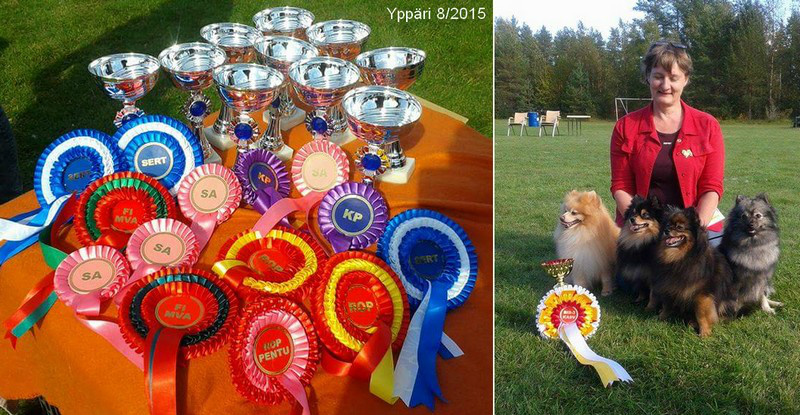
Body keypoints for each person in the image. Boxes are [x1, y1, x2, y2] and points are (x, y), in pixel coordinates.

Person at [610, 41, 724, 226]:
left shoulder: (708, 126)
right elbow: (621, 185)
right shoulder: (625, 127)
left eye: (673, 78)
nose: (665, 85)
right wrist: (639, 224)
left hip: (693, 226)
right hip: (641, 228)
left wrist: (695, 229)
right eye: (658, 76)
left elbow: (711, 186)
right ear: (648, 77)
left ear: (685, 79)